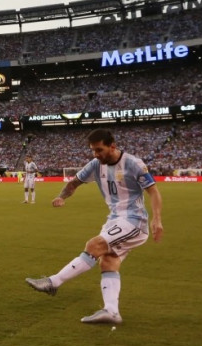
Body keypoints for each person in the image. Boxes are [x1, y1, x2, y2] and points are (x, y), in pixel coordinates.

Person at [25, 128, 163, 324]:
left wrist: (157, 218)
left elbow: (153, 192)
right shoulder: (95, 165)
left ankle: (53, 282)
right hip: (114, 220)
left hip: (134, 221)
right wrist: (61, 196)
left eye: (99, 150)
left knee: (94, 245)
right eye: (93, 151)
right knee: (108, 261)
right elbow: (73, 183)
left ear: (112, 146)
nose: (96, 155)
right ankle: (111, 311)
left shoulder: (133, 164)